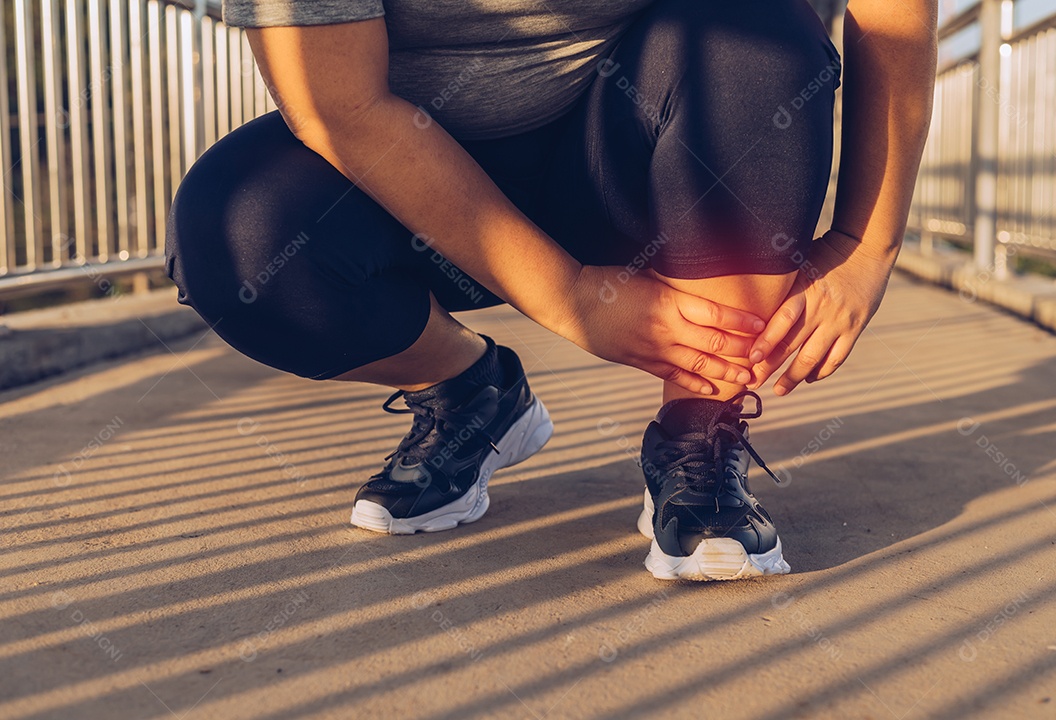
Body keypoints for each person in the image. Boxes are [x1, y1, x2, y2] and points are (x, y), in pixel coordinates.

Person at [165, 0, 936, 581]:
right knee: (238, 240)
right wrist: (568, 294)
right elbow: (339, 105)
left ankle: (698, 424)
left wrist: (867, 247)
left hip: (623, 145)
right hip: (410, 175)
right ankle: (472, 392)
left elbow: (889, 15)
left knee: (756, 33)